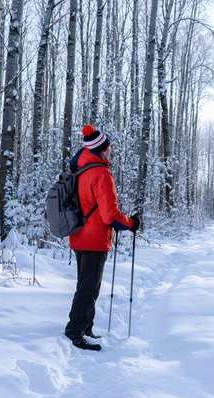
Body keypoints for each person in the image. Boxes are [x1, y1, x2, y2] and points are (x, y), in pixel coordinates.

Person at [65, 124, 141, 351]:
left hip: (78, 235)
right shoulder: (101, 173)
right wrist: (131, 223)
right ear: (102, 149)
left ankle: (85, 327)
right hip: (94, 238)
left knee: (87, 285)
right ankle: (75, 332)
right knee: (88, 288)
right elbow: (110, 215)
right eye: (109, 148)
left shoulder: (80, 170)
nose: (111, 151)